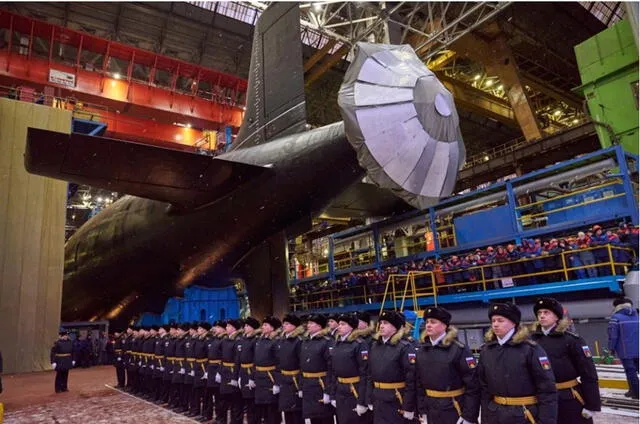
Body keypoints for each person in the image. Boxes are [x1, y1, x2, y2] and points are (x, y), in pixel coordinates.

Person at [475, 302, 557, 424]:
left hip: (523, 415)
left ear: (513, 322)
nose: (495, 324)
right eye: (493, 321)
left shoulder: (531, 349)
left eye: (500, 320)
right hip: (495, 415)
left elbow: (547, 390)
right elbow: (484, 388)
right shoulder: (487, 351)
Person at [531, 297, 601, 423]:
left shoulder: (571, 340)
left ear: (557, 317)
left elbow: (588, 374)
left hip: (569, 398)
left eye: (546, 312)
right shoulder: (532, 342)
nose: (542, 316)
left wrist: (592, 405)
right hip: (542, 399)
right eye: (539, 313)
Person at [416, 306, 480, 424]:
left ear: (444, 325)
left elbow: (472, 384)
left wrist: (469, 416)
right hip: (430, 409)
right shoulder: (421, 350)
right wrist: (422, 410)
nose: (428, 325)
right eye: (427, 322)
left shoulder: (458, 349)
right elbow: (419, 384)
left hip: (454, 409)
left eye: (433, 322)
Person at [367, 310, 416, 424]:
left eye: (386, 323)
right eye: (381, 323)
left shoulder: (404, 347)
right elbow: (369, 374)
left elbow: (411, 379)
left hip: (396, 400)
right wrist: (369, 398)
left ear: (395, 327)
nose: (381, 326)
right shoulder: (375, 346)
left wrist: (408, 407)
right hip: (378, 400)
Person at [330, 313, 371, 424]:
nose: (339, 327)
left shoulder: (359, 344)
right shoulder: (337, 343)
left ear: (351, 327)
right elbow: (334, 371)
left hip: (354, 391)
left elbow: (365, 373)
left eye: (343, 324)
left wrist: (362, 401)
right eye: (339, 324)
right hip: (340, 390)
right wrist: (333, 394)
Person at [301, 314, 334, 424]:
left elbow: (331, 368)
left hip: (321, 385)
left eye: (311, 323)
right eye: (308, 323)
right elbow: (302, 365)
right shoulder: (305, 341)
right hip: (308, 385)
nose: (308, 325)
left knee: (324, 417)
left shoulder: (326, 342)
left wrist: (328, 391)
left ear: (319, 326)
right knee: (312, 417)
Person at [608, 297, 639, 399]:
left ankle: (637, 393)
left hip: (625, 351)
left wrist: (611, 349)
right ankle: (632, 390)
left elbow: (613, 336)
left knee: (630, 372)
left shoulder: (616, 318)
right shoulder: (637, 316)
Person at [254, 316, 282, 424]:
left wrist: (277, 382)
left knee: (272, 407)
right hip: (260, 377)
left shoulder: (275, 341)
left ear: (272, 328)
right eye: (263, 324)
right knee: (262, 406)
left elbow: (279, 362)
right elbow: (256, 359)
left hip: (270, 377)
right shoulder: (260, 340)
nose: (263, 327)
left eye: (266, 325)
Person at [278, 314, 305, 424]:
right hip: (284, 378)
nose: (284, 326)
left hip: (295, 379)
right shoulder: (283, 339)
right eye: (283, 323)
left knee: (296, 411)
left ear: (294, 326)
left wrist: (301, 384)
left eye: (287, 324)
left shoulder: (298, 341)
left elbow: (302, 363)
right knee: (286, 409)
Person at [219, 318, 244, 424]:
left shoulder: (238, 340)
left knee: (236, 401)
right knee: (224, 398)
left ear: (234, 328)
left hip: (233, 371)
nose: (226, 328)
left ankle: (236, 421)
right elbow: (222, 357)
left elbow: (238, 360)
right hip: (225, 371)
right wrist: (219, 372)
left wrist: (236, 376)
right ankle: (222, 420)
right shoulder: (225, 340)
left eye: (229, 326)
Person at [239, 317, 261, 424]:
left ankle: (254, 421)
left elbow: (255, 359)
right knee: (246, 399)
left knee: (252, 401)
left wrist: (253, 376)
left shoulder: (255, 340)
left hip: (250, 371)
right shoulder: (244, 339)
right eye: (245, 326)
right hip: (243, 371)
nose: (245, 328)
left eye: (248, 326)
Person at [203, 320, 226, 423]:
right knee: (211, 394)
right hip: (211, 368)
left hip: (218, 369)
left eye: (217, 327)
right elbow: (210, 356)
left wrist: (219, 372)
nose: (215, 329)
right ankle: (213, 416)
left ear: (222, 328)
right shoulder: (215, 339)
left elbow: (223, 358)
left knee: (219, 397)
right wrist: (207, 370)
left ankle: (221, 418)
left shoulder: (223, 340)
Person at [190, 322, 211, 418]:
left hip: (204, 367)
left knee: (206, 393)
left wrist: (207, 371)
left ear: (204, 330)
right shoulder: (198, 340)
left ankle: (207, 414)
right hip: (197, 366)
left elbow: (209, 357)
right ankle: (197, 411)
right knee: (197, 390)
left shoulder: (207, 340)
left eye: (199, 328)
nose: (197, 330)